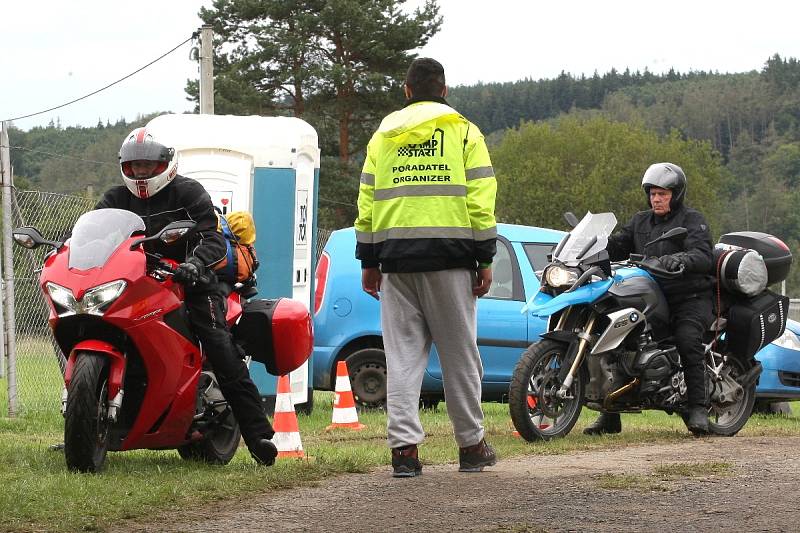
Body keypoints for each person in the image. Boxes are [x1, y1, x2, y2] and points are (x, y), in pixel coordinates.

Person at [95, 127, 278, 465]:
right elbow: (93, 235)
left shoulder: (188, 192)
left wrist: (194, 264)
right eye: (134, 167)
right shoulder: (115, 199)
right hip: (137, 283)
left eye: (148, 166)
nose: (141, 173)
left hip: (192, 282)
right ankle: (88, 427)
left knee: (219, 345)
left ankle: (258, 436)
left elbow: (213, 238)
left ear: (165, 164)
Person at [354, 57, 498, 477]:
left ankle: (404, 454)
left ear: (407, 90)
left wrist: (369, 261)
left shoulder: (383, 137)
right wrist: (484, 258)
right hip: (451, 260)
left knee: (400, 360)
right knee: (460, 357)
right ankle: (471, 447)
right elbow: (479, 200)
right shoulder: (464, 132)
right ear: (445, 90)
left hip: (396, 263)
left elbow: (367, 203)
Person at [584, 162, 714, 436]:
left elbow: (703, 255)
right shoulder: (641, 221)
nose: (656, 198)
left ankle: (699, 408)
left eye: (663, 194)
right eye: (653, 193)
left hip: (687, 296)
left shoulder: (692, 220)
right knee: (613, 341)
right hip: (649, 294)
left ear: (676, 195)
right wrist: (593, 245)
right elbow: (619, 244)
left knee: (688, 339)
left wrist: (678, 259)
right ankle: (610, 414)